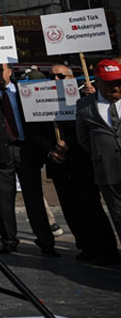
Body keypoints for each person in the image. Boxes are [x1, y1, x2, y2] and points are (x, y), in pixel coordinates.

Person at [0, 63, 58, 255]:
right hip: (0, 154)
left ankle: (46, 241)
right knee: (4, 201)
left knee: (34, 198)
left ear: (10, 71)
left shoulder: (24, 91)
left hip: (25, 150)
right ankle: (9, 240)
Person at [45, 63, 118, 264]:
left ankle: (106, 249)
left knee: (90, 207)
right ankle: (85, 246)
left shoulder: (85, 100)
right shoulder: (39, 99)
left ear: (71, 78)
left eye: (61, 76)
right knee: (71, 209)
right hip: (58, 163)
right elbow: (36, 131)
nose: (56, 81)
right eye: (52, 77)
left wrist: (66, 144)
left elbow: (85, 133)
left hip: (81, 161)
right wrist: (50, 149)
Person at [77, 59, 121, 256]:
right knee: (118, 215)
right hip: (107, 170)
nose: (116, 87)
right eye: (110, 82)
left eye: (119, 81)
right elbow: (83, 139)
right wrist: (101, 154)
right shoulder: (85, 106)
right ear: (98, 82)